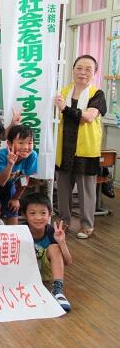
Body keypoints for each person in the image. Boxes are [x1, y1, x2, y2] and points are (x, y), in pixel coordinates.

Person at [54, 55, 107, 239]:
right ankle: (64, 222)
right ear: (73, 69)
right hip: (64, 149)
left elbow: (89, 117)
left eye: (88, 69)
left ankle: (87, 226)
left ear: (94, 73)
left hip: (86, 150)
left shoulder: (97, 94)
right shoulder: (63, 92)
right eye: (79, 68)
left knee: (86, 191)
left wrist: (65, 109)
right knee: (63, 190)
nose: (83, 72)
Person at [20, 192, 72, 311]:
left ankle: (57, 290)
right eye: (33, 213)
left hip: (43, 273)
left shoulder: (51, 231)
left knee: (54, 247)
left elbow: (68, 262)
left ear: (50, 213)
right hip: (24, 275)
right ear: (24, 214)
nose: (38, 217)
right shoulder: (21, 230)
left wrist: (62, 242)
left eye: (43, 213)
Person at [0, 125, 38, 225]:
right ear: (9, 144)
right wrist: (10, 164)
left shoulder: (32, 155)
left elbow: (25, 178)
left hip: (10, 183)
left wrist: (16, 198)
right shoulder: (2, 155)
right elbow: (1, 182)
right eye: (21, 143)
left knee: (13, 208)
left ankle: (13, 233)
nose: (26, 147)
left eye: (30, 143)